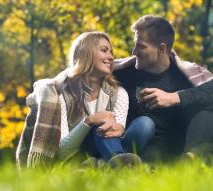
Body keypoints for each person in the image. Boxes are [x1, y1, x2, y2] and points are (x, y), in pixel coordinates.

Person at [16, 31, 154, 168]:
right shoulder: (60, 94)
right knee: (99, 123)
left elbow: (117, 130)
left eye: (111, 52)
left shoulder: (119, 92)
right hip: (78, 154)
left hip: (111, 145)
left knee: (145, 123)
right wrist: (88, 122)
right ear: (86, 53)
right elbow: (62, 152)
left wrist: (120, 129)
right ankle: (117, 163)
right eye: (104, 50)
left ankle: (106, 164)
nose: (111, 57)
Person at [113, 15, 213, 162]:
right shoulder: (123, 74)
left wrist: (175, 97)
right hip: (145, 153)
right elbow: (86, 72)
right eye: (135, 44)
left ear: (161, 49)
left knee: (212, 111)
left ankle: (190, 162)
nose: (134, 52)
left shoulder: (186, 75)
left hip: (181, 149)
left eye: (141, 46)